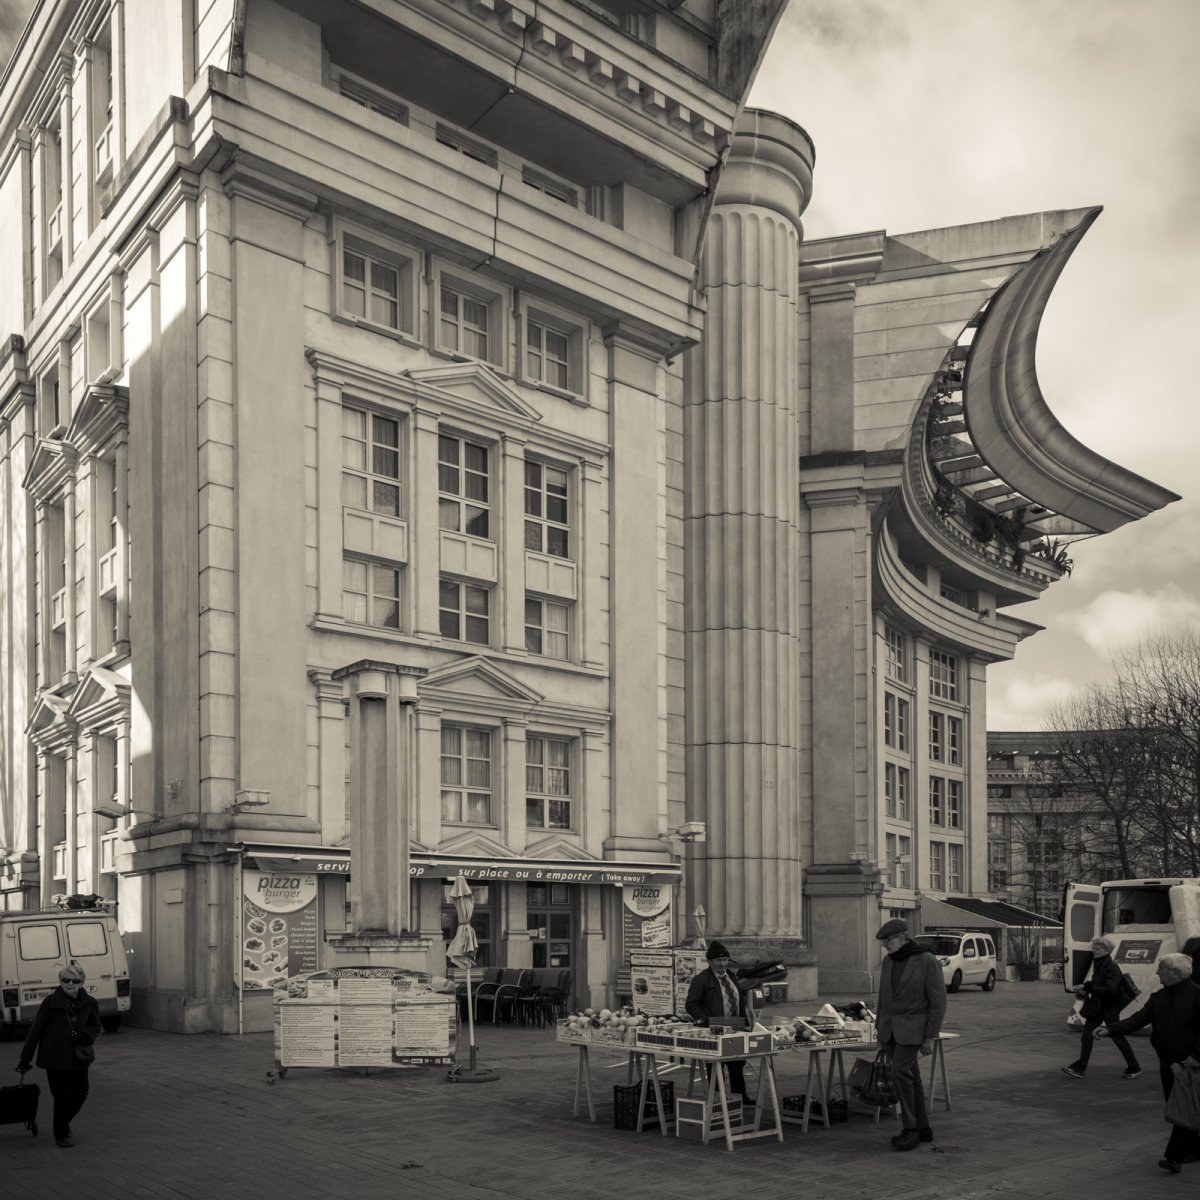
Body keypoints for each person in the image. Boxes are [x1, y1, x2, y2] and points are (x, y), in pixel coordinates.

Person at [1096, 952, 1200, 1174]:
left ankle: (1174, 1157)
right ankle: (1193, 1150)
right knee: (1182, 1107)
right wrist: (1109, 1029)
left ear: (1175, 972)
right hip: (1168, 1063)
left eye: (1161, 968)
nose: (1157, 972)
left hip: (1191, 1065)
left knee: (1182, 1108)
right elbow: (1138, 1020)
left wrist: (1196, 1056)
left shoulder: (1197, 995)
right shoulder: (1159, 997)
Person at [874, 917, 947, 1151]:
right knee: (911, 1076)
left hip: (914, 1029)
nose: (885, 944)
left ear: (903, 938)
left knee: (899, 1072)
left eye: (888, 940)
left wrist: (930, 1036)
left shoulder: (925, 960)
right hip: (891, 1030)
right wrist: (880, 1031)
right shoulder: (888, 962)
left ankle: (910, 1128)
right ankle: (923, 1127)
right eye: (883, 941)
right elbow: (883, 998)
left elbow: (938, 1002)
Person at [16, 964, 102, 1148]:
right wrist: (25, 1058)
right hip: (54, 1058)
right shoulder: (51, 1002)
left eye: (75, 980)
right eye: (66, 980)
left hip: (78, 1057)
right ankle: (61, 1134)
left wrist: (86, 1035)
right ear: (60, 982)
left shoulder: (90, 1003)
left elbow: (95, 1025)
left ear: (82, 983)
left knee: (80, 1093)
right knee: (61, 1096)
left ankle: (62, 1124)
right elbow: (35, 1031)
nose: (70, 984)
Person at [1061, 936, 1142, 1080]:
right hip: (1098, 1006)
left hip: (1109, 1007)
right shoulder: (1100, 963)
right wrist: (1085, 986)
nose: (1094, 950)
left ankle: (1134, 1066)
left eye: (1097, 948)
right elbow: (1099, 983)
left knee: (1117, 1036)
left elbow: (1111, 989)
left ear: (1106, 950)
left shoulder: (1111, 967)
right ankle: (1080, 1067)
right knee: (1087, 1036)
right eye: (1094, 947)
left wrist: (1090, 987)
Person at [685, 941, 754, 1106]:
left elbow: (739, 999)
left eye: (725, 960)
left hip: (736, 1028)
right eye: (718, 960)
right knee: (716, 1067)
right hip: (714, 1030)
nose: (722, 963)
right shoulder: (701, 980)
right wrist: (708, 1020)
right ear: (709, 962)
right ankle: (718, 1100)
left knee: (737, 1063)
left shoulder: (731, 975)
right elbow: (691, 1004)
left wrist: (746, 1023)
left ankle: (740, 1097)